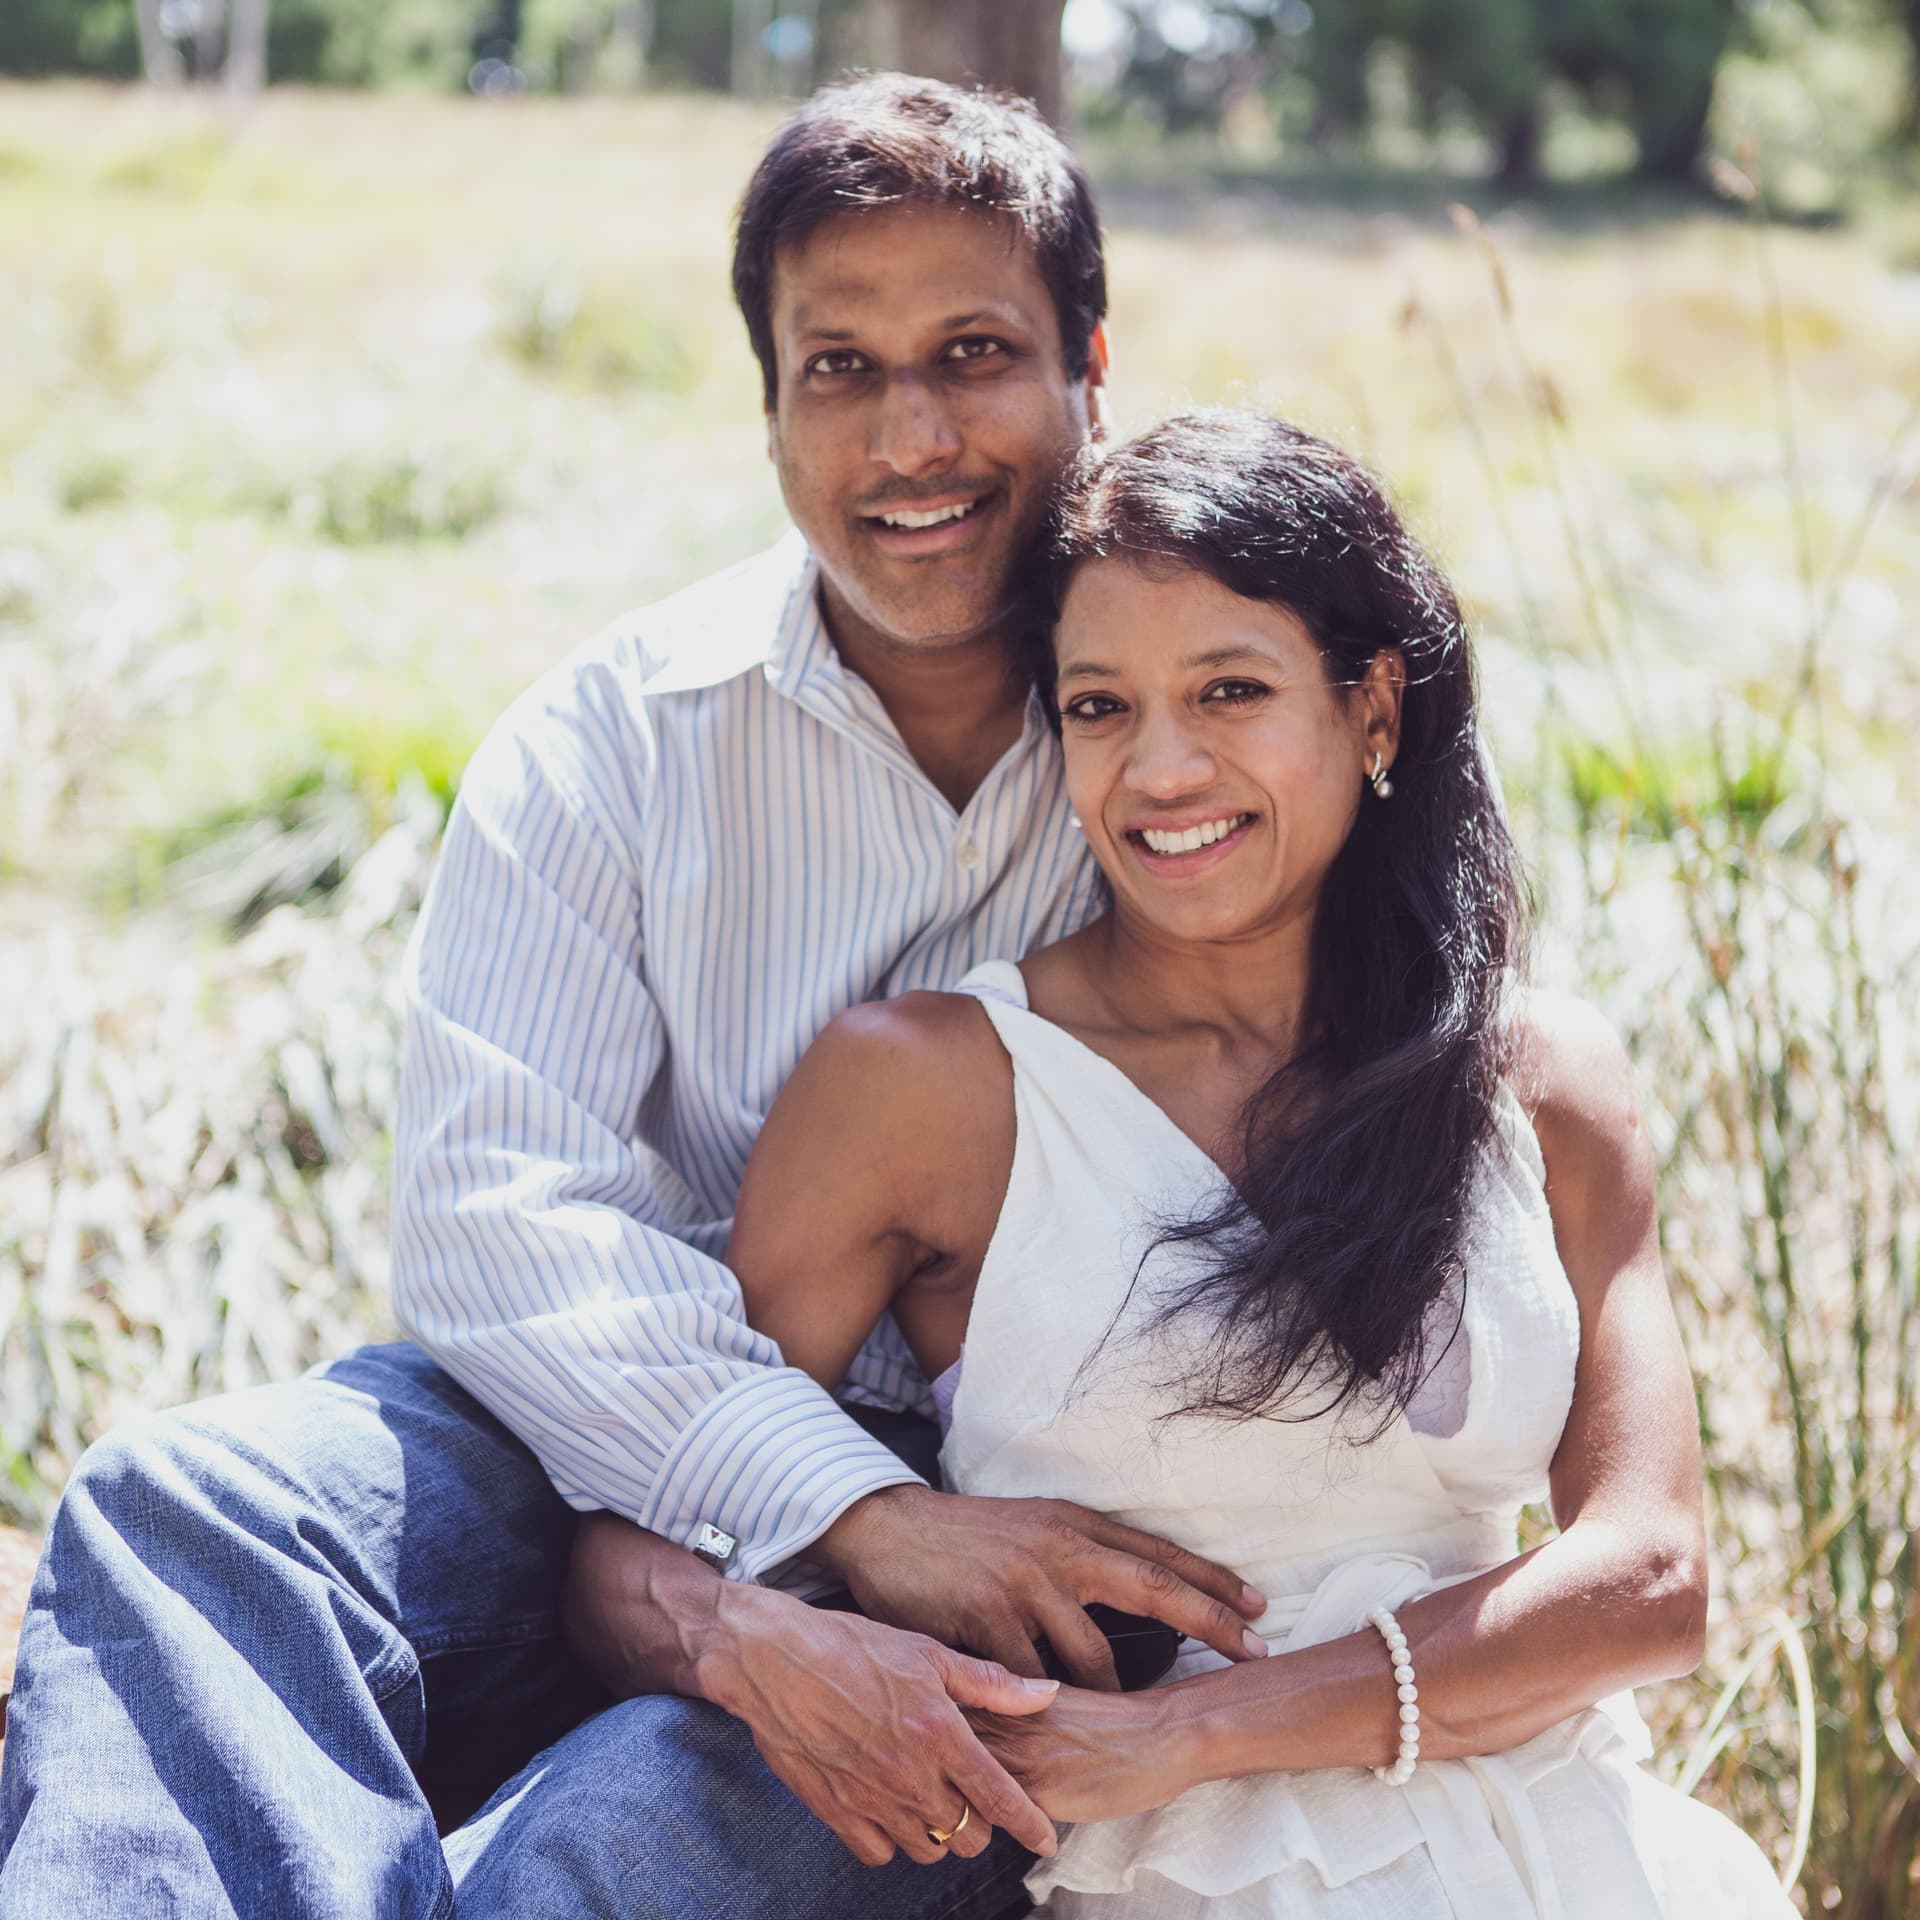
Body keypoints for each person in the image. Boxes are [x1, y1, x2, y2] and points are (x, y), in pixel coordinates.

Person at [0, 76, 1269, 1920]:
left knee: (624, 1834)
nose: (912, 434)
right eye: (840, 366)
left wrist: (883, 1546)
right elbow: (495, 1222)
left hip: (1030, 1497)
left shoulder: (1200, 751)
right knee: (191, 1500)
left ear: (1091, 362)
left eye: (974, 351)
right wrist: (838, 1517)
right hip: (583, 1438)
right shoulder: (616, 741)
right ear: (767, 407)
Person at [713, 409, 1798, 1916]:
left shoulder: (1538, 1080)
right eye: (1099, 707)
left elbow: (1652, 1578)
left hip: (1557, 1851)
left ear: (1373, 711)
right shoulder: (929, 1087)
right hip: (1135, 1874)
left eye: (1229, 690)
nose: (1160, 769)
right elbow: (666, 1530)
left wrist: (1192, 1732)